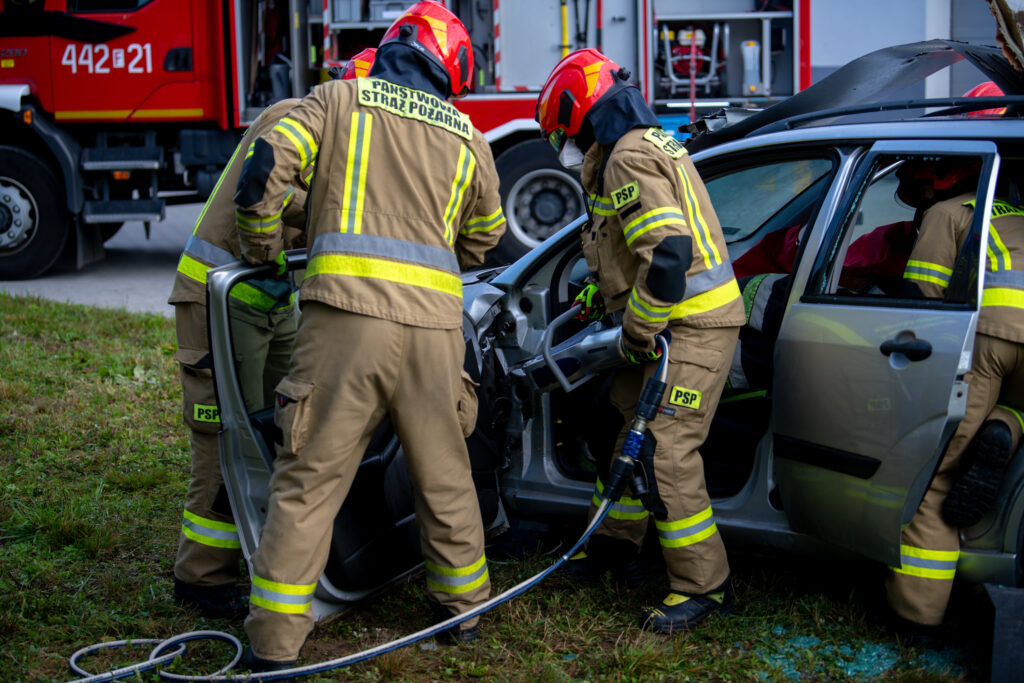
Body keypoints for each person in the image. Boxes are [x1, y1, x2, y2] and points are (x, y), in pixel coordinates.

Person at [232, 1, 505, 670]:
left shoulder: (338, 100)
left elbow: (266, 163)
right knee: (445, 472)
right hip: (437, 332)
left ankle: (273, 642)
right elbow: (487, 235)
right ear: (451, 69)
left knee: (309, 477)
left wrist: (264, 246)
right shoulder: (468, 135)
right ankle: (464, 611)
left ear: (395, 46)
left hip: (344, 324)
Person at [536, 48, 745, 634]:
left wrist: (637, 331)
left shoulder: (627, 157)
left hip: (691, 328)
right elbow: (627, 247)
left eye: (561, 133)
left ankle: (706, 587)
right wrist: (599, 298)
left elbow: (671, 255)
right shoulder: (640, 146)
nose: (563, 146)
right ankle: (614, 546)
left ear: (578, 113)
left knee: (664, 449)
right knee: (619, 428)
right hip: (668, 324)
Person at [167, 97, 308, 620]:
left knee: (284, 427)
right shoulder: (293, 117)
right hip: (217, 300)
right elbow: (264, 189)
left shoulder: (340, 132)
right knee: (226, 440)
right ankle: (201, 578)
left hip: (270, 301)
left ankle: (259, 552)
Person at [887, 163, 1024, 636]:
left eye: (918, 187)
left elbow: (922, 299)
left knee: (939, 478)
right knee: (1016, 406)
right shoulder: (1018, 214)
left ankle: (917, 616)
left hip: (990, 337)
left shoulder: (948, 214)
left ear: (939, 181)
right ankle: (1009, 421)